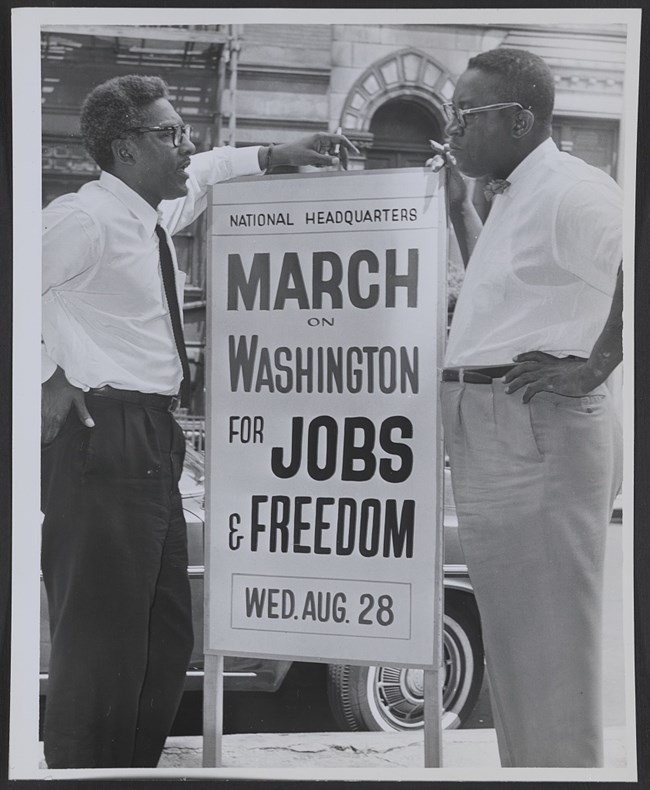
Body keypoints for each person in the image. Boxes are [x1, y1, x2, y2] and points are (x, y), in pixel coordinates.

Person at [40, 73, 355, 769]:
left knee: (163, 636)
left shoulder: (148, 216)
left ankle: (128, 769)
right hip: (102, 439)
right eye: (170, 134)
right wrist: (46, 377)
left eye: (183, 131)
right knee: (100, 645)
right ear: (125, 149)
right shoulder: (81, 219)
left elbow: (207, 172)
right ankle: (83, 776)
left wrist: (275, 155)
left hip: (151, 439)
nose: (188, 145)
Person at [439, 48, 623, 768]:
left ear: (518, 120)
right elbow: (518, 294)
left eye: (465, 116)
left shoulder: (574, 191)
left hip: (536, 439)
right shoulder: (513, 191)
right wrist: (460, 215)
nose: (452, 131)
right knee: (518, 656)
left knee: (550, 663)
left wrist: (597, 364)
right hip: (503, 436)